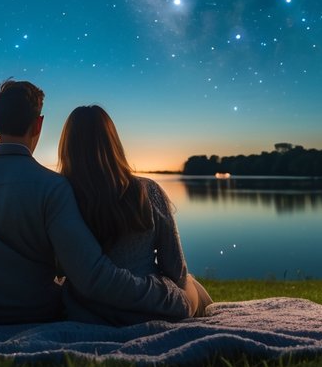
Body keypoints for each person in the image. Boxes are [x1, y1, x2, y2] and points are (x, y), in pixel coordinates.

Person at [0, 79, 192, 325]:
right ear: (38, 125)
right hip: (35, 313)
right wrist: (165, 295)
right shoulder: (52, 187)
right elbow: (90, 274)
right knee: (192, 290)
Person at [58, 105, 213, 322]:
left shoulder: (59, 196)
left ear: (67, 146)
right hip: (148, 303)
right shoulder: (147, 191)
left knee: (191, 285)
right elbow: (175, 269)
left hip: (87, 309)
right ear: (114, 143)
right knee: (191, 284)